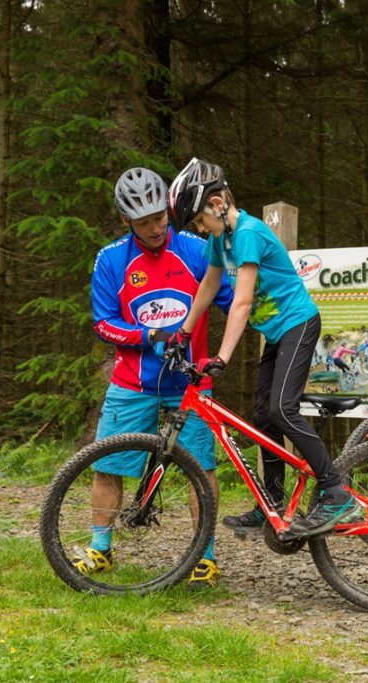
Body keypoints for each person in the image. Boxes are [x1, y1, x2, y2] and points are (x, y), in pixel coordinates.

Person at [167, 158, 359, 538]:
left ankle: (336, 491)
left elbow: (240, 302)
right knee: (262, 417)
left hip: (298, 324)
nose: (200, 228)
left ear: (218, 203)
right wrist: (181, 334)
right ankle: (271, 501)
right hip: (277, 333)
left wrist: (222, 356)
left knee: (281, 410)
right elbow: (207, 286)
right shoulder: (221, 240)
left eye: (200, 220)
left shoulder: (248, 234)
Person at [82, 167, 234, 588]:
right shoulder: (111, 259)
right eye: (144, 221)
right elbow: (103, 324)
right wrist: (147, 334)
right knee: (108, 464)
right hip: (133, 383)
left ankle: (205, 556)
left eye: (160, 216)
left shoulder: (195, 248)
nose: (155, 227)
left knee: (200, 470)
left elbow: (232, 299)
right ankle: (100, 549)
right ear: (126, 220)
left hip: (190, 383)